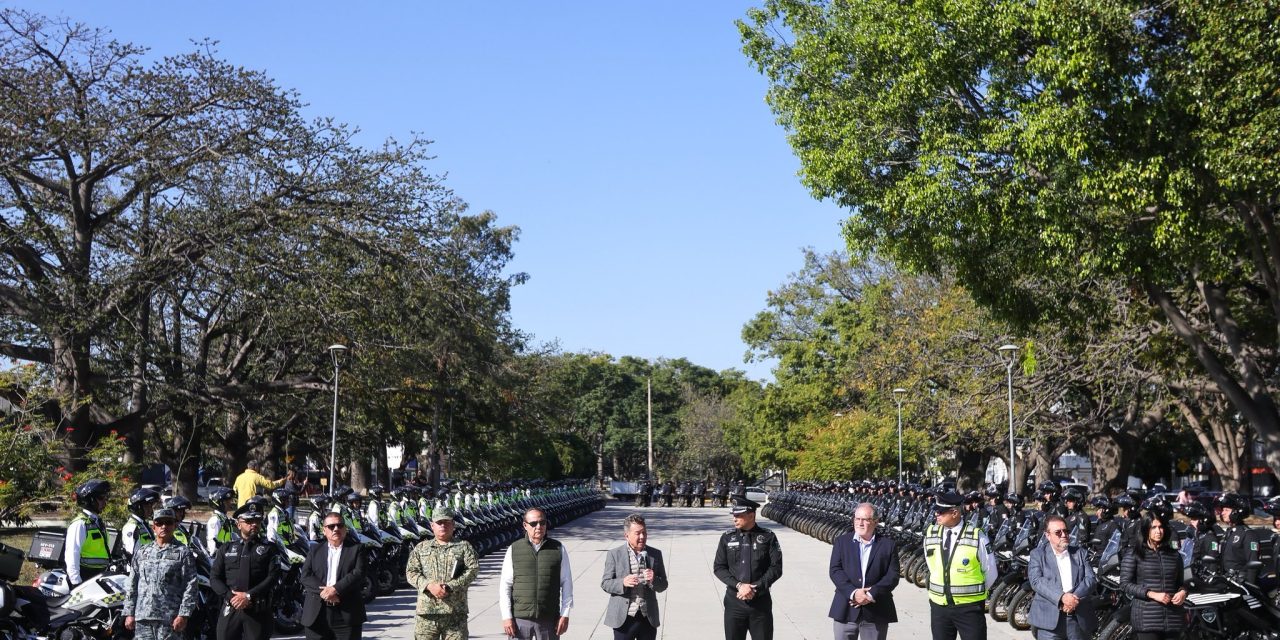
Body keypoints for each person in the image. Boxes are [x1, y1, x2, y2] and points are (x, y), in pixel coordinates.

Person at [924, 491, 997, 640]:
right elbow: (931, 566)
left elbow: (990, 572)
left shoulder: (977, 537)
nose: (936, 514)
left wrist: (969, 594)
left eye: (941, 511)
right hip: (939, 608)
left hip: (969, 608)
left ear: (955, 513)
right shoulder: (931, 534)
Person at [713, 497, 783, 640]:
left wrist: (754, 587)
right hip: (735, 602)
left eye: (738, 515)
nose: (734, 519)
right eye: (733, 515)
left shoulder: (768, 537)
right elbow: (719, 567)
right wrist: (739, 586)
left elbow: (776, 568)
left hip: (760, 604)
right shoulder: (727, 538)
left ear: (751, 515)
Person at [124, 508, 199, 640]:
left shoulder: (183, 553)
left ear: (175, 525)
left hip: (170, 619)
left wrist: (183, 615)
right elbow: (132, 583)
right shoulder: (143, 552)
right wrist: (129, 613)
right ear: (154, 527)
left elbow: (191, 586)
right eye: (159, 523)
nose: (164, 526)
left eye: (168, 522)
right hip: (143, 617)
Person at [406, 506, 480, 640]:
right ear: (432, 526)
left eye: (446, 522)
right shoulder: (421, 548)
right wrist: (429, 586)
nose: (443, 526)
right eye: (439, 523)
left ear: (453, 525)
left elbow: (473, 569)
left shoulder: (464, 546)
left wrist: (452, 586)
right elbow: (411, 572)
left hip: (455, 613)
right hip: (427, 614)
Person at [499, 508, 573, 639]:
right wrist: (506, 616)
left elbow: (567, 583)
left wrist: (565, 614)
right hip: (520, 620)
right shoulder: (514, 549)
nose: (538, 527)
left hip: (549, 619)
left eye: (542, 522)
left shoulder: (558, 549)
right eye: (533, 523)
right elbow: (505, 585)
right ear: (525, 525)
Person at [828, 503, 898, 640]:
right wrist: (854, 593)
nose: (860, 523)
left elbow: (892, 575)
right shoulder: (842, 542)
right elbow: (835, 570)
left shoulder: (888, 545)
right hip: (846, 609)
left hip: (876, 611)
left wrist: (871, 594)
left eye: (865, 519)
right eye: (857, 518)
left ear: (876, 522)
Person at [210, 504, 281, 640]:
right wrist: (231, 597)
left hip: (257, 608)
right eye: (248, 521)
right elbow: (214, 577)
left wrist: (248, 596)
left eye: (257, 521)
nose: (254, 524)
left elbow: (273, 577)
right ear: (238, 524)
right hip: (231, 607)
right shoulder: (226, 548)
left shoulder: (269, 549)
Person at [299, 511, 368, 640]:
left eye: (340, 525)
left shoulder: (357, 549)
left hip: (346, 614)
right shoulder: (315, 550)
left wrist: (335, 589)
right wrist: (326, 593)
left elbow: (358, 573)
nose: (336, 529)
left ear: (345, 529)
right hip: (317, 614)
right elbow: (305, 576)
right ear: (324, 530)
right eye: (331, 526)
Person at [1027, 515, 1097, 640]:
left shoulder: (1080, 553)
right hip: (1049, 623)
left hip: (1078, 619)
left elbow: (1090, 579)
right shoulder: (1038, 554)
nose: (1064, 535)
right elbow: (1036, 581)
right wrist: (1062, 597)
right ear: (1048, 535)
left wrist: (1072, 599)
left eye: (1066, 531)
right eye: (1058, 532)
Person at [1118, 512, 1186, 640]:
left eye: (1160, 527)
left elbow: (1181, 583)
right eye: (1153, 527)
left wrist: (1183, 592)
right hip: (1147, 620)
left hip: (1173, 619)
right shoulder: (1135, 553)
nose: (1158, 531)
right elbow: (1125, 584)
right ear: (1145, 530)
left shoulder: (1175, 555)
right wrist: (1151, 594)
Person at [601, 514, 669, 640]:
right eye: (637, 533)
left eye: (644, 532)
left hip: (648, 618)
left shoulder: (655, 554)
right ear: (626, 535)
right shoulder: (614, 554)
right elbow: (605, 583)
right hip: (624, 619)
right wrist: (622, 582)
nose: (642, 537)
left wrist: (654, 580)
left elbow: (664, 584)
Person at [64, 479, 112, 587]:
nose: (105, 502)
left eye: (105, 498)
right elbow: (72, 554)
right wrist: (76, 582)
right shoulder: (80, 524)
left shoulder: (96, 522)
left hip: (97, 576)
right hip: (84, 577)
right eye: (101, 498)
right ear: (89, 500)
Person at [121, 487, 161, 561]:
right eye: (147, 505)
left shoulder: (143, 524)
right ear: (137, 506)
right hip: (137, 570)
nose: (150, 509)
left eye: (151, 505)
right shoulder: (132, 526)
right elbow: (131, 553)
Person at [206, 487, 238, 555]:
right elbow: (213, 542)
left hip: (227, 554)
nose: (230, 503)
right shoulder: (215, 520)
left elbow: (228, 537)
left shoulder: (223, 518)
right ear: (219, 503)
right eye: (227, 501)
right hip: (219, 557)